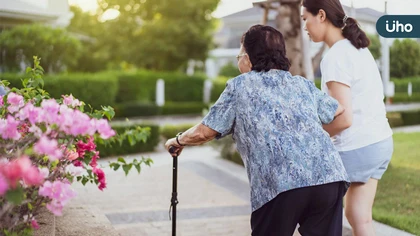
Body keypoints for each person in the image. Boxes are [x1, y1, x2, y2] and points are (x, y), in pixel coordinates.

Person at [165, 24, 350, 236]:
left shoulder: (240, 86)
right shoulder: (301, 84)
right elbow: (338, 109)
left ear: (248, 57)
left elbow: (205, 131)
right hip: (328, 176)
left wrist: (177, 141)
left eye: (239, 55)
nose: (238, 61)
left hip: (281, 184)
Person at [301, 1, 394, 235]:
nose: (305, 26)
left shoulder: (335, 57)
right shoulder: (358, 49)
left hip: (357, 148)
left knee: (308, 207)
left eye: (305, 19)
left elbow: (343, 119)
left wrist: (310, 137)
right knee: (358, 216)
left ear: (321, 15)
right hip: (380, 142)